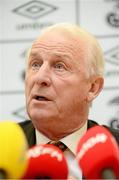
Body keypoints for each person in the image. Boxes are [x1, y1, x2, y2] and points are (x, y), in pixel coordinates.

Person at [19, 23, 119, 179]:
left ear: (92, 88)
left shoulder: (116, 150)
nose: (40, 78)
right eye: (35, 64)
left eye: (59, 66)